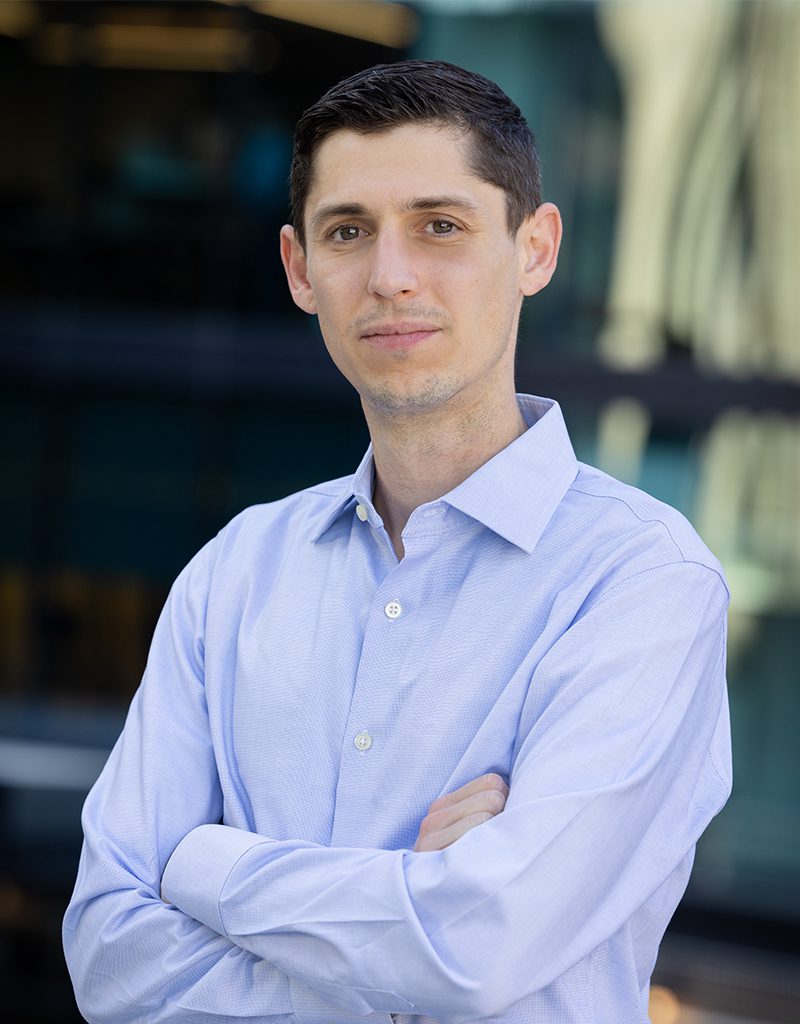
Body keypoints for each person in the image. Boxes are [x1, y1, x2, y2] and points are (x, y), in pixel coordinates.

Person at [63, 61, 731, 1024]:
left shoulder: (641, 584)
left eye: (441, 225)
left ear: (535, 250)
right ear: (300, 269)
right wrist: (402, 910)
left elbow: (475, 948)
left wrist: (203, 865)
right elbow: (107, 955)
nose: (390, 276)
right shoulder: (237, 570)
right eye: (348, 232)